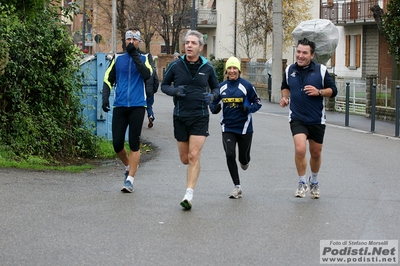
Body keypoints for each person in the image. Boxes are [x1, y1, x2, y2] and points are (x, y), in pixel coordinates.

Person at [161, 30, 220, 210]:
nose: (189, 45)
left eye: (193, 43)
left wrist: (212, 96)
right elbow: (163, 85)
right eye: (187, 42)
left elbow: (217, 88)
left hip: (200, 116)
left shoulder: (208, 68)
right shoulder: (175, 65)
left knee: (194, 155)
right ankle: (190, 184)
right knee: (185, 158)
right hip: (180, 115)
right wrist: (174, 91)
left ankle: (189, 194)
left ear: (200, 47)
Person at [279, 37, 337, 199]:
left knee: (316, 153)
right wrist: (285, 98)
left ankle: (315, 181)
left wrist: (319, 92)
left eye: (304, 53)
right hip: (297, 117)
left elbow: (333, 91)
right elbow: (285, 86)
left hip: (317, 118)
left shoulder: (321, 70)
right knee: (300, 149)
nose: (300, 55)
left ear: (312, 55)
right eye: (298, 52)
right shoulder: (289, 69)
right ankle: (302, 182)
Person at [102, 30, 153, 193]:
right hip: (120, 105)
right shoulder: (118, 58)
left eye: (134, 39)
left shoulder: (145, 57)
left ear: (139, 41)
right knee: (117, 144)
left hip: (138, 105)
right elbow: (107, 79)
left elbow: (147, 74)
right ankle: (128, 166)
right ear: (124, 40)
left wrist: (135, 55)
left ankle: (130, 180)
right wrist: (105, 97)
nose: (131, 42)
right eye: (128, 39)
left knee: (133, 142)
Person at [209, 56, 262, 199]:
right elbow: (212, 103)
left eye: (234, 68)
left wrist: (248, 109)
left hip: (245, 128)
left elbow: (258, 102)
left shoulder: (247, 86)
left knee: (243, 159)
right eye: (229, 68)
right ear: (226, 70)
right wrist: (215, 108)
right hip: (228, 127)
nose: (232, 71)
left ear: (238, 70)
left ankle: (245, 160)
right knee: (229, 154)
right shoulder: (221, 87)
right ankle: (237, 186)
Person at [144, 57, 159, 128]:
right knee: (149, 105)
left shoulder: (142, 70)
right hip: (150, 91)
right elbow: (156, 81)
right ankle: (151, 116)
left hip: (143, 91)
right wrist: (154, 90)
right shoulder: (153, 70)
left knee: (141, 106)